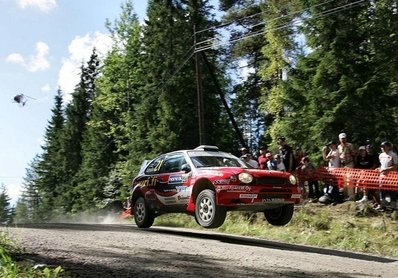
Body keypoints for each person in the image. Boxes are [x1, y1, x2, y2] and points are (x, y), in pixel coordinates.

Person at [375, 141, 398, 211]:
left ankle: (393, 206)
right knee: (382, 190)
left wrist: (387, 169)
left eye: (384, 146)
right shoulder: (380, 155)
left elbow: (396, 166)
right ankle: (383, 205)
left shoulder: (393, 155)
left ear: (388, 147)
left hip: (391, 176)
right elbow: (381, 165)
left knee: (392, 190)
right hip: (382, 176)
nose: (382, 148)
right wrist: (378, 169)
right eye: (381, 147)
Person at [337, 133, 356, 201]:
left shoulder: (350, 145)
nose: (343, 140)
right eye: (342, 139)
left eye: (344, 138)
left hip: (349, 164)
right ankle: (346, 195)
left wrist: (348, 148)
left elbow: (354, 154)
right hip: (342, 165)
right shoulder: (338, 147)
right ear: (339, 139)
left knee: (349, 179)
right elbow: (339, 156)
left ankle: (352, 196)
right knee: (344, 181)